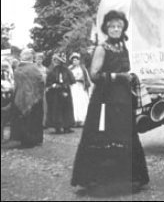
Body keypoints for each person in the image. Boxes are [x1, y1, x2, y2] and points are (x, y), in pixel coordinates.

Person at [71, 10, 149, 189]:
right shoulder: (102, 48)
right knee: (106, 135)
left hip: (122, 99)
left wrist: (130, 78)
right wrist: (118, 77)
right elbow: (94, 75)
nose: (115, 29)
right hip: (105, 100)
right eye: (112, 26)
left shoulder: (123, 47)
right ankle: (103, 180)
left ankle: (128, 178)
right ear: (106, 28)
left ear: (123, 29)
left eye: (119, 26)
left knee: (125, 134)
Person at [10, 49, 45, 148]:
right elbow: (41, 81)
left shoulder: (18, 69)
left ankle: (24, 140)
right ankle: (35, 139)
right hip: (35, 97)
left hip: (20, 96)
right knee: (34, 119)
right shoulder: (34, 68)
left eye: (21, 55)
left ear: (23, 57)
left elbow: (16, 84)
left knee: (23, 119)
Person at [45, 53, 75, 134]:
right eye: (56, 60)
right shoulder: (52, 70)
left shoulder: (66, 70)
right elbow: (48, 82)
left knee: (67, 108)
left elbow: (72, 80)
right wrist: (53, 85)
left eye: (58, 60)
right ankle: (57, 127)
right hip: (55, 93)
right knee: (56, 109)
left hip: (65, 91)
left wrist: (66, 84)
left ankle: (67, 126)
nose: (57, 62)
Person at [68, 52, 91, 127]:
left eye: (76, 60)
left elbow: (87, 78)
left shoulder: (83, 69)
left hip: (80, 86)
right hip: (73, 86)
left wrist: (85, 83)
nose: (75, 61)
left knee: (82, 102)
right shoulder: (70, 68)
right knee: (74, 101)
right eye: (74, 60)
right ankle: (73, 120)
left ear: (79, 61)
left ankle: (82, 120)